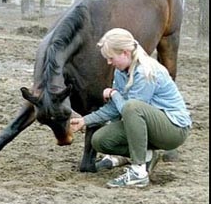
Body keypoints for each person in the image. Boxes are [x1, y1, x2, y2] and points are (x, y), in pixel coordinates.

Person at [70, 28, 192, 188]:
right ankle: (147, 156)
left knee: (132, 107)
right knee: (99, 140)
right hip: (148, 123)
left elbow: (129, 109)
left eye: (111, 58)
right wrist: (84, 121)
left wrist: (114, 94)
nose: (108, 62)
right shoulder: (122, 72)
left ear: (125, 53)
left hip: (174, 129)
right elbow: (115, 108)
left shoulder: (145, 72)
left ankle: (138, 173)